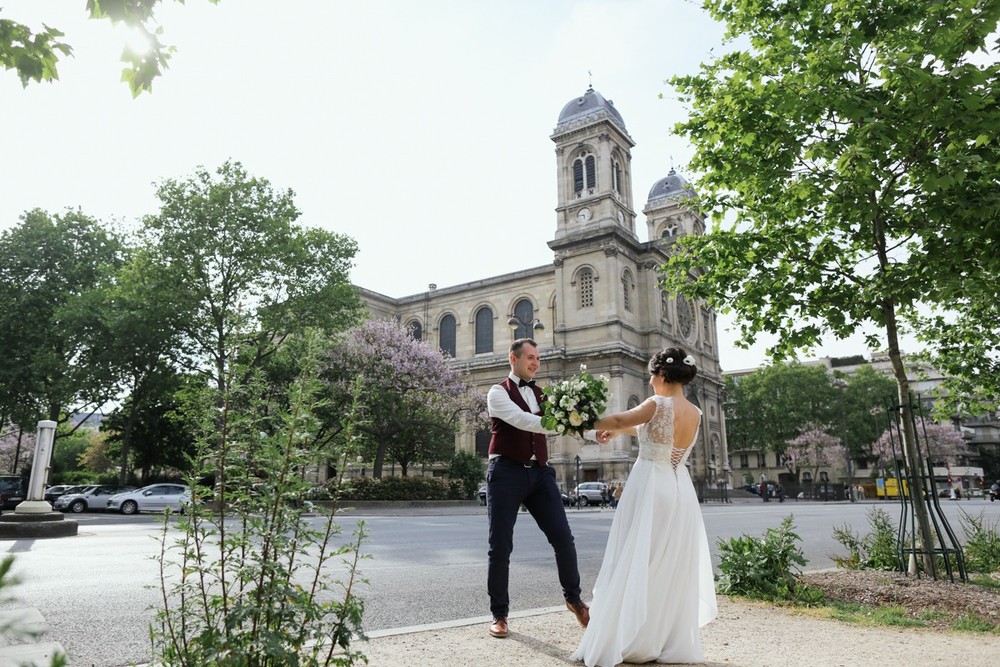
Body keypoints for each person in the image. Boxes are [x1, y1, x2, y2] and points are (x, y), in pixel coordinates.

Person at [571, 347, 717, 666]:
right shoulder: (695, 412)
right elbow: (645, 429)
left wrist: (579, 418)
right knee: (664, 563)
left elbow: (628, 417)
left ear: (662, 374)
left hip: (650, 482)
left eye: (651, 374)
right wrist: (617, 429)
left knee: (634, 557)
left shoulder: (657, 403)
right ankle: (657, 636)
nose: (649, 381)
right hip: (677, 486)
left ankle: (629, 637)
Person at [485, 338, 610, 639]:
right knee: (500, 546)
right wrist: (558, 424)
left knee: (563, 538)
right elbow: (522, 420)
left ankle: (574, 599)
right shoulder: (497, 392)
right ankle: (500, 615)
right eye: (530, 357)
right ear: (512, 359)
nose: (535, 363)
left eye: (538, 358)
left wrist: (594, 434)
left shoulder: (543, 394)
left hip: (540, 473)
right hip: (505, 471)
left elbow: (570, 421)